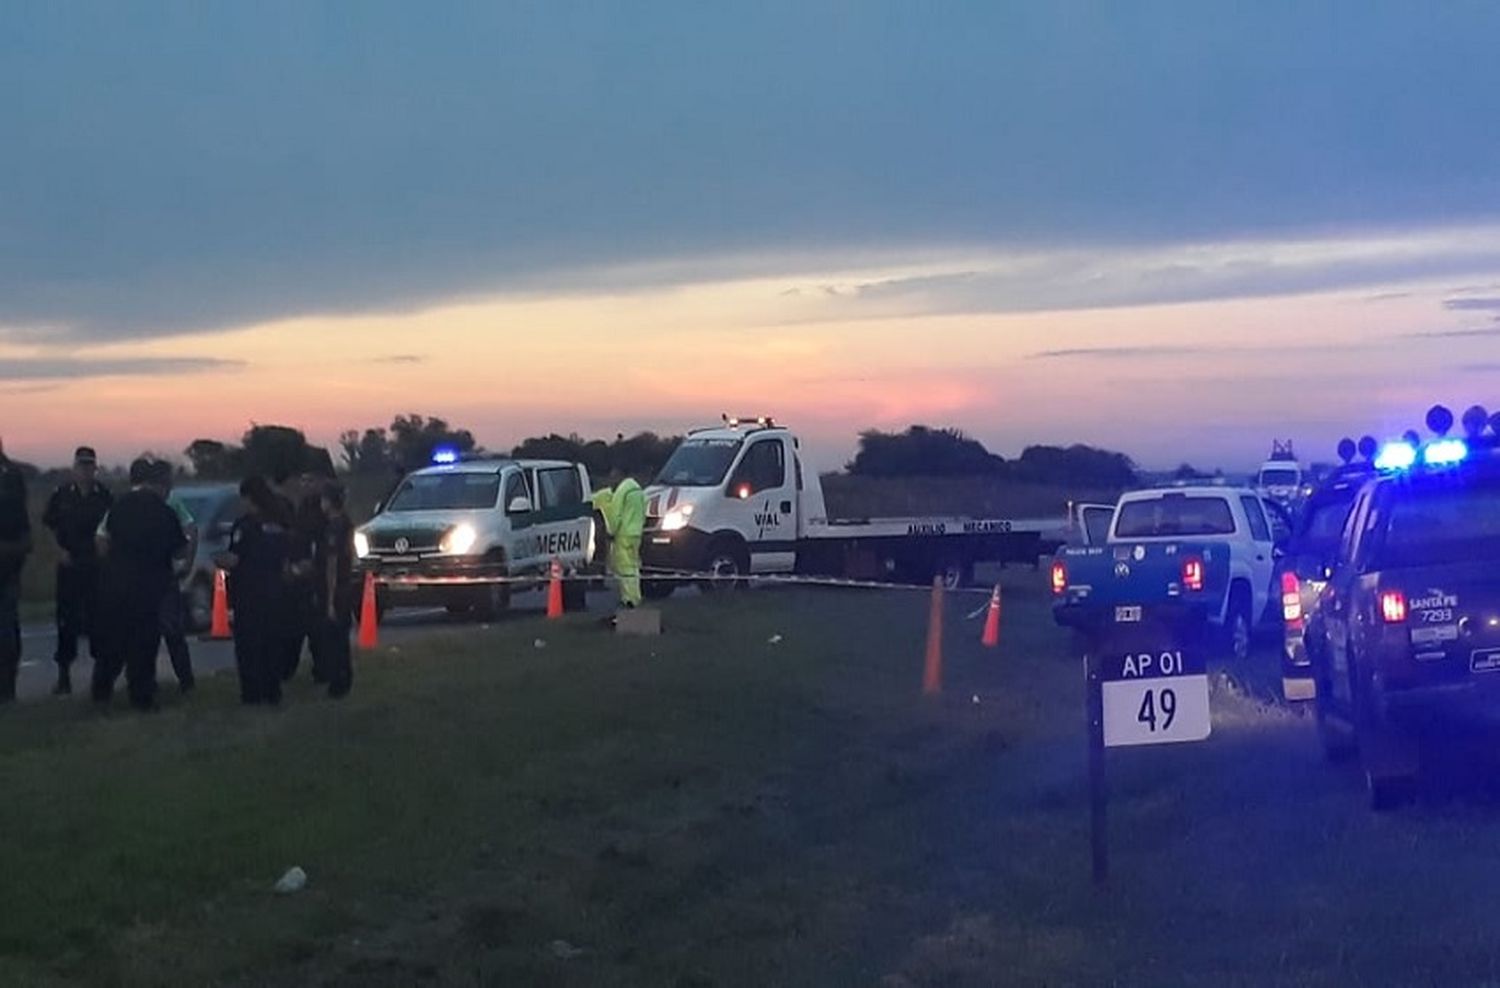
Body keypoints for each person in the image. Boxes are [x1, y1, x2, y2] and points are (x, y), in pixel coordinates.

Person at [93, 458, 185, 711]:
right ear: (161, 485)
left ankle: (101, 691)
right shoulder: (164, 512)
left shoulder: (119, 507)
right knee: (143, 645)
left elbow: (104, 541)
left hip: (116, 584)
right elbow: (178, 548)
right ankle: (141, 696)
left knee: (113, 641)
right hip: (149, 587)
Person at [41, 446, 113, 695]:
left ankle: (100, 678)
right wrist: (58, 552)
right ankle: (64, 677)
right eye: (81, 466)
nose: (85, 470)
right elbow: (48, 526)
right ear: (74, 468)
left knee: (99, 622)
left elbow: (112, 528)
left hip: (95, 568)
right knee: (66, 622)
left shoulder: (103, 496)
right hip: (69, 566)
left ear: (95, 467)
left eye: (89, 465)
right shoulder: (61, 495)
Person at [217, 477, 292, 705]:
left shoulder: (245, 526)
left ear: (249, 498)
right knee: (272, 644)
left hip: (249, 594)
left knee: (250, 647)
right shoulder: (278, 523)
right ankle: (273, 691)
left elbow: (234, 559)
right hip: (275, 592)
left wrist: (218, 561)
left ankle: (252, 694)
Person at [153, 461, 197, 693]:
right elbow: (190, 531)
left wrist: (187, 562)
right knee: (166, 631)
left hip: (162, 575)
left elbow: (191, 529)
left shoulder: (173, 503)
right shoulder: (162, 504)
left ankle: (185, 681)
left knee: (172, 631)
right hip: (157, 575)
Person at [314, 483, 355, 698]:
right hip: (346, 586)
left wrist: (329, 600)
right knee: (341, 637)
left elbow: (332, 564)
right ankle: (344, 678)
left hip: (336, 589)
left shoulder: (333, 528)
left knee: (334, 638)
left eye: (323, 499)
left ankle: (338, 682)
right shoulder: (347, 523)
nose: (322, 504)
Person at [0, 439, 31, 704]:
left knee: (6, 631)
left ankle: (7, 689)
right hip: (10, 562)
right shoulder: (12, 476)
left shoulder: (10, 479)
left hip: (6, 565)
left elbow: (23, 531)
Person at [589, 469, 646, 609]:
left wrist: (611, 531)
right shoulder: (637, 489)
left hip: (623, 534)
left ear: (618, 476)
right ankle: (635, 596)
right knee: (633, 566)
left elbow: (616, 515)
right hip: (636, 533)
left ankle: (629, 599)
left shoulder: (622, 491)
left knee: (624, 567)